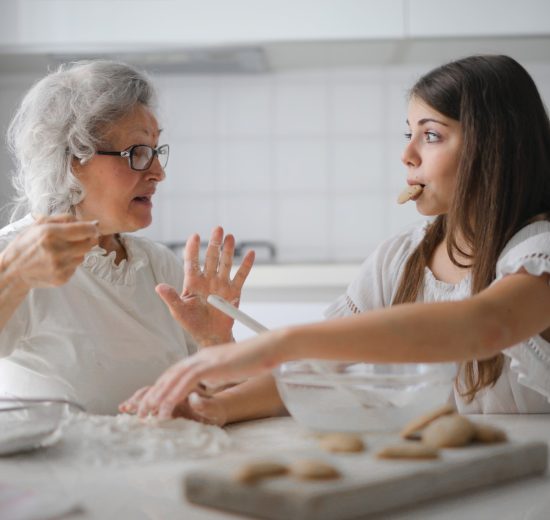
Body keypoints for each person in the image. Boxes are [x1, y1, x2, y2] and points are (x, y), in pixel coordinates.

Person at [125, 54, 550, 421]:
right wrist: (215, 408)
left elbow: (488, 325)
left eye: (431, 135)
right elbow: (319, 370)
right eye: (409, 134)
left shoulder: (538, 252)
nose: (407, 153)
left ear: (493, 148)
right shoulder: (399, 259)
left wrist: (282, 341)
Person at [0, 60, 254, 414]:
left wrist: (215, 342)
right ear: (72, 159)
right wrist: (12, 276)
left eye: (156, 150)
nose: (158, 172)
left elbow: (220, 402)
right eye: (137, 152)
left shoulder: (159, 266)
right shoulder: (14, 255)